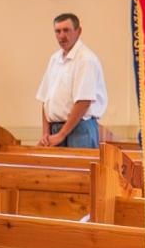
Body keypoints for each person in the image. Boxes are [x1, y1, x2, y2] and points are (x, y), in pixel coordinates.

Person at [35, 12, 108, 148]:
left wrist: (61, 134)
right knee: (55, 169)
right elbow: (46, 100)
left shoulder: (86, 59)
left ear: (78, 31)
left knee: (81, 169)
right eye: (58, 31)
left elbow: (83, 102)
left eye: (66, 30)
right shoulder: (54, 59)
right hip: (55, 129)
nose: (62, 35)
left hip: (80, 128)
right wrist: (45, 134)